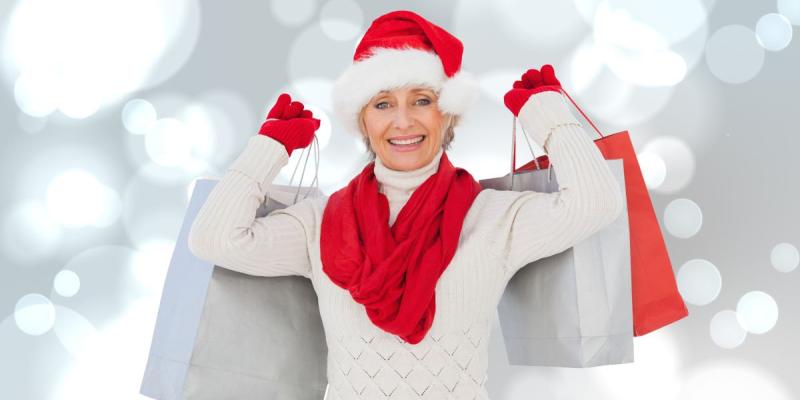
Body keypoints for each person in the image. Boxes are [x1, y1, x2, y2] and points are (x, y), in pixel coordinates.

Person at [188, 9, 624, 400]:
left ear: (448, 113)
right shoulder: (318, 224)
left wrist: (551, 120)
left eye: (422, 100)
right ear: (362, 119)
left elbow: (596, 204)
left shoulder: (494, 217)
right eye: (382, 104)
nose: (403, 121)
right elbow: (213, 240)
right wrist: (269, 148)